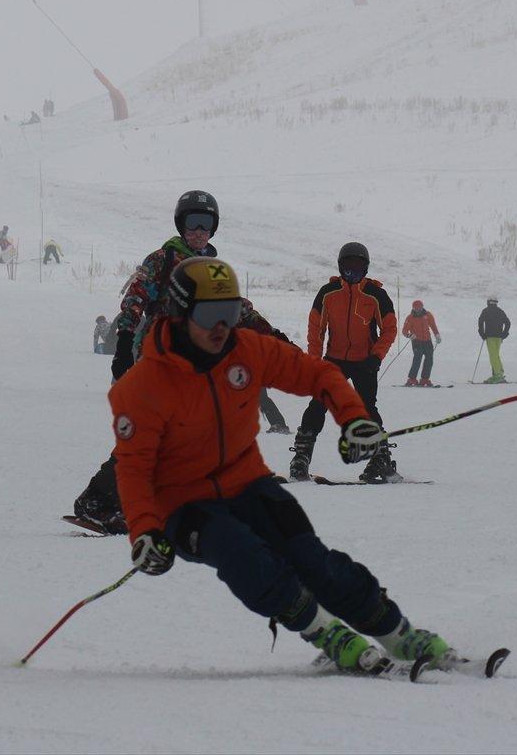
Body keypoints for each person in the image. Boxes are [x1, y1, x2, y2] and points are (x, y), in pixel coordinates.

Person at [110, 256, 455, 673]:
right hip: (184, 507)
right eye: (210, 314)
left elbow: (319, 375)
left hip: (248, 484)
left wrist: (353, 418)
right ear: (181, 314)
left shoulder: (247, 350)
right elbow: (133, 469)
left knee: (313, 559)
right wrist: (145, 530)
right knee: (241, 553)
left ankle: (396, 633)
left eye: (231, 313)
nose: (222, 326)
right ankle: (321, 630)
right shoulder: (141, 387)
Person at [73, 190, 292, 534]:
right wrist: (124, 344)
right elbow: (135, 297)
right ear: (181, 224)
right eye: (193, 223)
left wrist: (276, 339)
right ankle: (100, 501)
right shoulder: (164, 259)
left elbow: (239, 311)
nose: (199, 231)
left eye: (205, 224)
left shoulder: (215, 271)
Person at [289, 242, 398, 483]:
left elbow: (389, 329)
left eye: (358, 265)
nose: (353, 270)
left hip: (365, 362)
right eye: (348, 265)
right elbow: (316, 329)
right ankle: (301, 457)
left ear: (366, 268)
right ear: (340, 266)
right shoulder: (328, 293)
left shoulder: (376, 294)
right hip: (334, 361)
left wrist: (376, 356)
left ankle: (381, 458)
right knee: (318, 404)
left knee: (367, 408)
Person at [401, 299, 441, 386]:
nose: (418, 310)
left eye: (420, 308)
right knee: (417, 359)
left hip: (427, 341)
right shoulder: (410, 318)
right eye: (416, 308)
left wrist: (437, 335)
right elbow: (404, 331)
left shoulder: (428, 315)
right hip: (416, 341)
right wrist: (409, 335)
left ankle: (425, 379)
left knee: (429, 360)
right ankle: (412, 379)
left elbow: (433, 326)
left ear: (422, 307)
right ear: (413, 308)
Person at [477, 295, 510, 383]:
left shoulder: (485, 311)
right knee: (496, 355)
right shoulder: (500, 311)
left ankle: (497, 375)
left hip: (490, 337)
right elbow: (508, 323)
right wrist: (504, 334)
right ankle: (499, 372)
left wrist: (482, 334)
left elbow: (480, 322)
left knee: (493, 356)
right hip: (499, 337)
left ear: (488, 302)